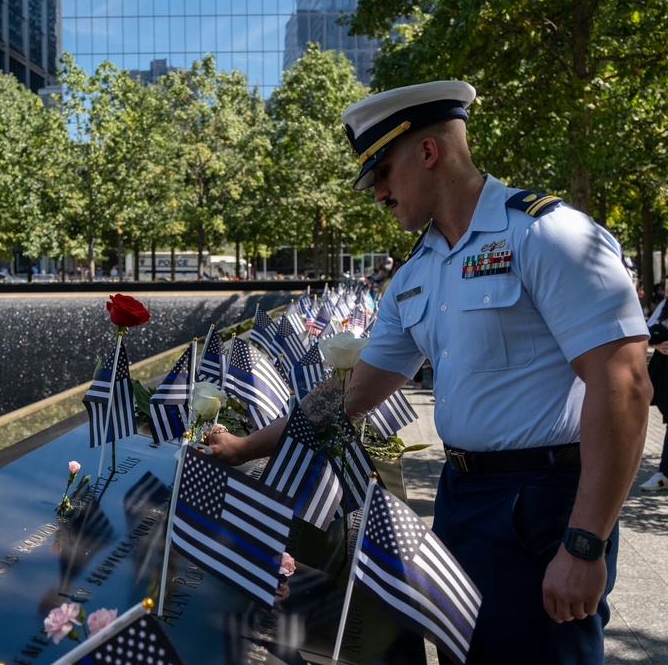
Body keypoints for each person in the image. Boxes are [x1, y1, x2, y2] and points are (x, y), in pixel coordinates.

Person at [204, 80, 651, 664]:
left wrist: (585, 543)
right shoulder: (418, 271)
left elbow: (623, 383)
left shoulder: (547, 234)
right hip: (461, 497)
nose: (377, 195)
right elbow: (352, 392)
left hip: (545, 503)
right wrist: (244, 448)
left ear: (429, 152)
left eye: (382, 174)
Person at [641, 296, 668, 492]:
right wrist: (658, 344)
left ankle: (664, 473)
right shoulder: (665, 304)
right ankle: (664, 474)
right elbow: (648, 329)